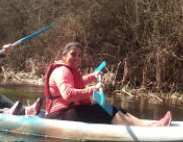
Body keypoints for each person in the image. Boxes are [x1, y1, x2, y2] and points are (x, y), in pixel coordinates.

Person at [44, 42, 172, 126]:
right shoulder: (62, 70)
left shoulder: (68, 70)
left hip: (66, 112)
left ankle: (147, 125)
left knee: (112, 108)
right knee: (103, 109)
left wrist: (92, 77)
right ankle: (148, 128)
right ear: (64, 55)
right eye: (73, 54)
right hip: (58, 117)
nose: (76, 58)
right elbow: (68, 95)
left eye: (79, 55)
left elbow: (78, 83)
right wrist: (92, 89)